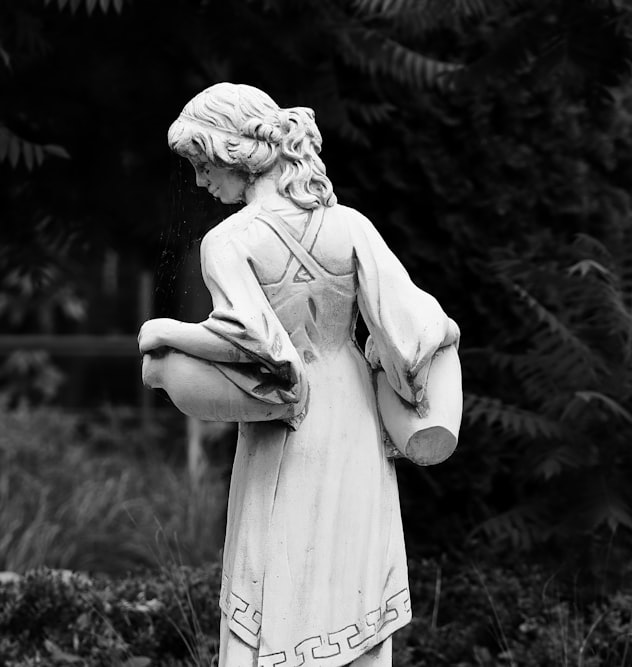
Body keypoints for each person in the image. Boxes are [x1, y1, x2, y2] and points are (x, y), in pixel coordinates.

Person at [138, 83, 460, 667]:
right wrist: (400, 372)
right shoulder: (352, 227)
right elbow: (416, 327)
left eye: (202, 164)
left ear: (233, 153)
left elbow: (261, 347)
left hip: (289, 422)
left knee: (277, 564)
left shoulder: (230, 241)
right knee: (350, 568)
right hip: (355, 414)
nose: (200, 182)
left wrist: (163, 333)